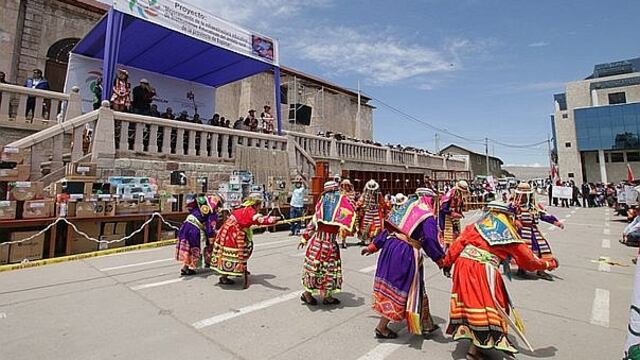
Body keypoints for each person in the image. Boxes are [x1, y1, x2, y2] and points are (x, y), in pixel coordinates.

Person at [441, 201, 559, 359]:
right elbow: (529, 261)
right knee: (489, 305)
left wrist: (447, 263)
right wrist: (549, 263)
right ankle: (476, 349)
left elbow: (458, 244)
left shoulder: (476, 226)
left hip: (463, 265)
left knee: (470, 303)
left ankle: (475, 342)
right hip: (481, 269)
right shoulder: (508, 233)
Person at [361, 190, 444, 338]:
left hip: (390, 247)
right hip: (404, 252)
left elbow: (388, 229)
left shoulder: (405, 206)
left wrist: (374, 246)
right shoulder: (426, 215)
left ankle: (426, 323)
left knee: (417, 286)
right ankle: (382, 327)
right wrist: (440, 259)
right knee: (401, 287)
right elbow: (431, 240)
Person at [298, 181, 356, 305]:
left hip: (320, 244)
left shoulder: (328, 207)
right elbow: (313, 224)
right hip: (325, 244)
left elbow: (312, 225)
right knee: (320, 270)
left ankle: (325, 296)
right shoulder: (327, 207)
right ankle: (308, 295)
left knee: (322, 270)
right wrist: (304, 238)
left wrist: (305, 238)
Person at [211, 193, 279, 288]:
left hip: (229, 230)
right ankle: (224, 277)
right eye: (260, 205)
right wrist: (272, 220)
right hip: (233, 233)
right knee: (234, 252)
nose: (260, 207)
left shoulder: (244, 208)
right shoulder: (250, 211)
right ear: (256, 204)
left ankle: (239, 268)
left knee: (245, 248)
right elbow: (259, 220)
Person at [510, 182, 563, 280]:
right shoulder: (514, 206)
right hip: (521, 232)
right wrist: (515, 220)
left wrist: (556, 222)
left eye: (526, 194)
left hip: (533, 231)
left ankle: (541, 270)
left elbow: (544, 215)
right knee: (524, 251)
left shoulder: (534, 206)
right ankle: (521, 269)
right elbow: (507, 216)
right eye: (523, 194)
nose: (524, 197)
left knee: (541, 248)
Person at [176, 194, 223, 275]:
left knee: (188, 246)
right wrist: (211, 239)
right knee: (194, 247)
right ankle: (190, 266)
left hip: (186, 224)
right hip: (194, 228)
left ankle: (185, 267)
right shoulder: (212, 212)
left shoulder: (200, 205)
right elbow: (210, 227)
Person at [355, 179, 386, 245]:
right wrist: (360, 206)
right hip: (367, 212)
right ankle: (363, 240)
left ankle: (372, 240)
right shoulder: (365, 194)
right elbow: (360, 201)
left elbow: (382, 203)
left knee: (375, 227)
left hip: (375, 212)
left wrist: (380, 207)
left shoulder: (378, 195)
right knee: (364, 226)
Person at [439, 180, 468, 249]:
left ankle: (454, 250)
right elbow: (443, 207)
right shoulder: (451, 193)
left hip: (455, 218)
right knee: (448, 238)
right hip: (447, 218)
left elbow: (459, 205)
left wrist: (459, 213)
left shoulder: (459, 193)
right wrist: (451, 213)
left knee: (456, 235)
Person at [338, 179, 357, 249]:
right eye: (344, 185)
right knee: (341, 227)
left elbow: (353, 202)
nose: (345, 187)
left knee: (346, 227)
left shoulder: (352, 193)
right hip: (340, 213)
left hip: (349, 213)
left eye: (347, 185)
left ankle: (344, 240)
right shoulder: (339, 193)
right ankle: (343, 240)